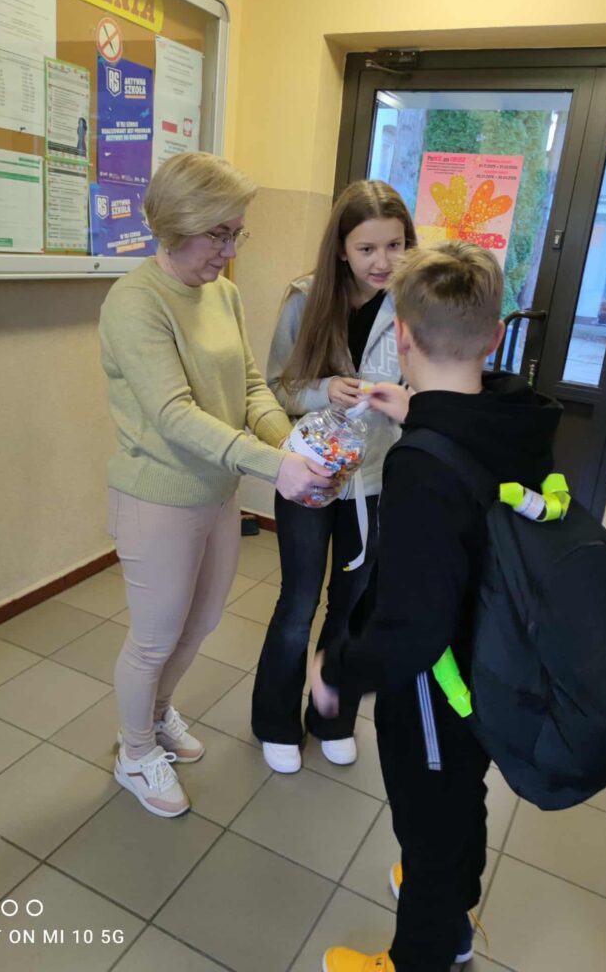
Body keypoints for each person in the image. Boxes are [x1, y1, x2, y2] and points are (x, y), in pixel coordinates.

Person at [311, 242, 561, 971]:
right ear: (494, 336)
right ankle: (450, 900)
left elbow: (412, 628)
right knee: (460, 796)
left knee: (427, 819)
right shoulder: (518, 420)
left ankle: (425, 947)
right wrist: (420, 411)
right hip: (497, 662)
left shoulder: (422, 464)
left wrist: (338, 671)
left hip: (436, 685)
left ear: (403, 337)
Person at [99, 152, 332, 818]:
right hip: (156, 498)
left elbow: (252, 386)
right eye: (219, 235)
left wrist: (287, 442)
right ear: (177, 225)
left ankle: (157, 715)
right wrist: (275, 467)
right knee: (154, 638)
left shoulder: (222, 294)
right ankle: (134, 753)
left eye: (237, 234)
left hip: (216, 493)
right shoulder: (135, 303)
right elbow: (175, 416)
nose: (231, 252)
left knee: (199, 622)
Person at [252, 180, 417, 774]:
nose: (383, 261)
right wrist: (325, 390)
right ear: (341, 250)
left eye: (395, 245)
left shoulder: (414, 303)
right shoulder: (306, 298)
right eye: (367, 248)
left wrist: (405, 400)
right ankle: (276, 722)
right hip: (310, 476)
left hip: (375, 482)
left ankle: (334, 718)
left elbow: (430, 388)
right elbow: (276, 388)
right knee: (298, 603)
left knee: (352, 604)